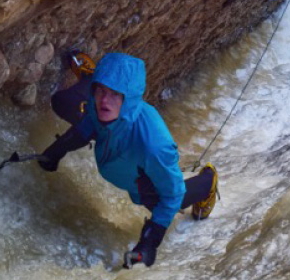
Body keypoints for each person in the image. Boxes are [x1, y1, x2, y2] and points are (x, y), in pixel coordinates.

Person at [38, 51, 218, 268]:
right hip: (113, 132)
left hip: (137, 170)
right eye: (101, 90)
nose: (105, 100)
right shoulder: (102, 106)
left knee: (162, 202)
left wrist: (149, 241)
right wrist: (59, 148)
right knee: (63, 102)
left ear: (129, 99)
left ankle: (207, 182)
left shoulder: (154, 147)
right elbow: (89, 124)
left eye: (115, 93)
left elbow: (173, 194)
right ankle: (91, 78)